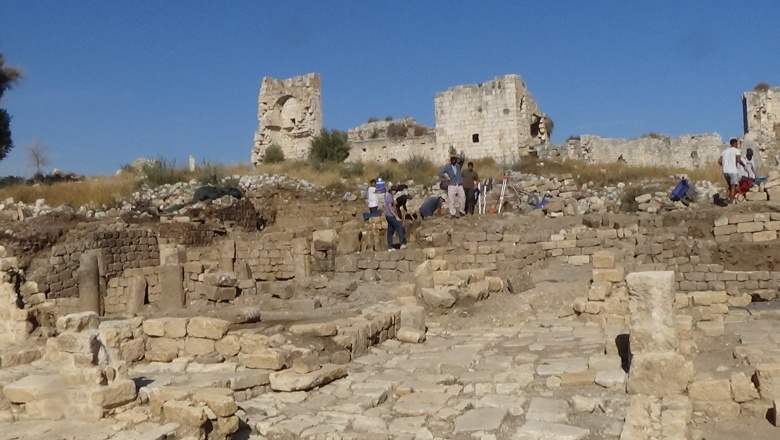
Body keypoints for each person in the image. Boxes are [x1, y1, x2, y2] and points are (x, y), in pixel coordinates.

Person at [438, 153, 466, 218]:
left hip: (459, 184)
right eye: (452, 159)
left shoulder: (458, 166)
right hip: (451, 184)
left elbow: (463, 159)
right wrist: (445, 176)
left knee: (463, 198)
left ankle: (462, 211)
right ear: (450, 160)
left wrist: (456, 156)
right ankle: (452, 213)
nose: (454, 160)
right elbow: (440, 173)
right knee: (451, 200)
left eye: (455, 159)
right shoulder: (447, 167)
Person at [718, 138, 745, 204]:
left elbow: (719, 161)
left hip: (725, 171)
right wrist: (743, 165)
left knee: (730, 185)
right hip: (733, 171)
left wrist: (724, 165)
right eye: (737, 144)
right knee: (733, 186)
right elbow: (738, 160)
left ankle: (729, 197)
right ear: (735, 144)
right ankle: (731, 201)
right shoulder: (736, 150)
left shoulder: (724, 151)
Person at [384, 185, 406, 251]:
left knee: (390, 231)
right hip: (390, 216)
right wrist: (396, 216)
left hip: (389, 216)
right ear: (391, 190)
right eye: (394, 191)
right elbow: (390, 208)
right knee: (399, 227)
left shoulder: (390, 196)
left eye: (396, 191)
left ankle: (390, 247)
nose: (395, 192)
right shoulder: (389, 197)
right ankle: (402, 244)